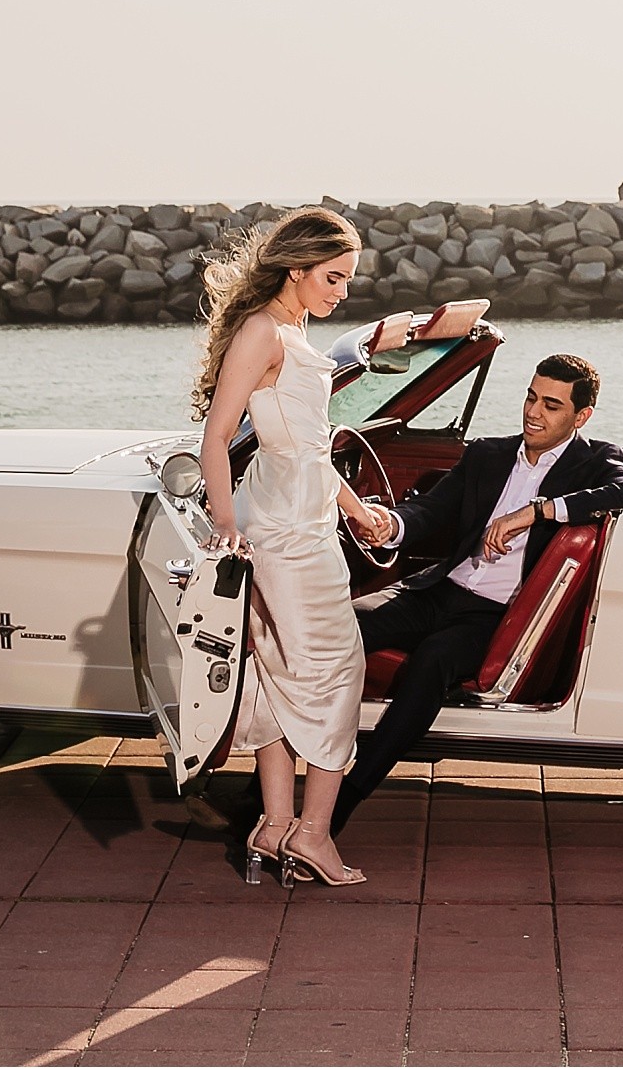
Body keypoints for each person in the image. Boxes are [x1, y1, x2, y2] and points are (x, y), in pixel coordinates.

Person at [329, 353, 623, 833]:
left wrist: (535, 512)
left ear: (581, 417)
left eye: (552, 406)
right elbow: (430, 512)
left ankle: (341, 802)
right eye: (531, 396)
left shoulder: (596, 460)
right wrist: (389, 525)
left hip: (494, 617)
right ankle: (264, 792)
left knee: (433, 660)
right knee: (336, 629)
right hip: (438, 590)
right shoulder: (488, 454)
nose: (533, 413)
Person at [193, 207, 398, 888]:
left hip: (304, 523)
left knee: (280, 673)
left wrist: (355, 506)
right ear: (297, 268)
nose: (343, 291)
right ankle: (314, 834)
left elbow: (307, 447)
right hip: (281, 534)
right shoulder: (261, 331)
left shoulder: (293, 327)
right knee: (339, 674)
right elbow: (217, 437)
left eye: (347, 279)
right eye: (334, 277)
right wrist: (225, 522)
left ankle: (275, 825)